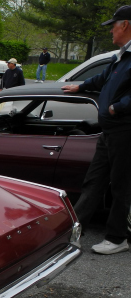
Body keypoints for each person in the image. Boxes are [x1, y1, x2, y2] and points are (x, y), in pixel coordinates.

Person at [61, 5, 131, 254]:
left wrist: (116, 108)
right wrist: (79, 87)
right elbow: (102, 78)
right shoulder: (120, 55)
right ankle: (76, 231)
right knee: (94, 181)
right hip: (109, 131)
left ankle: (117, 238)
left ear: (125, 25)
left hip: (124, 129)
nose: (111, 29)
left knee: (121, 186)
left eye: (114, 24)